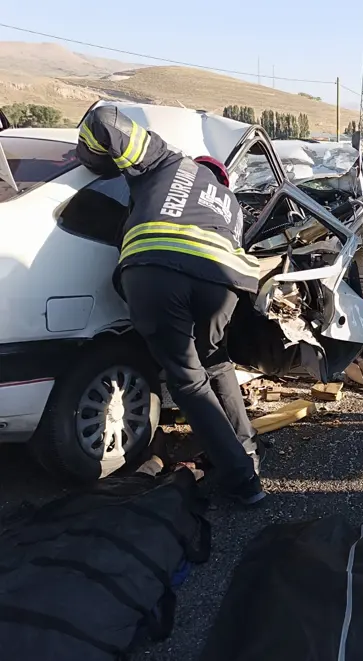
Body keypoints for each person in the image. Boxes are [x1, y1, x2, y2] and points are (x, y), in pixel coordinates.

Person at [76, 105, 266, 506]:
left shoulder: (167, 161)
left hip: (158, 273)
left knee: (189, 381)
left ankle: (243, 481)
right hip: (222, 284)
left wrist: (94, 161)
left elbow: (105, 120)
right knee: (216, 362)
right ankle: (246, 450)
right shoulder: (231, 206)